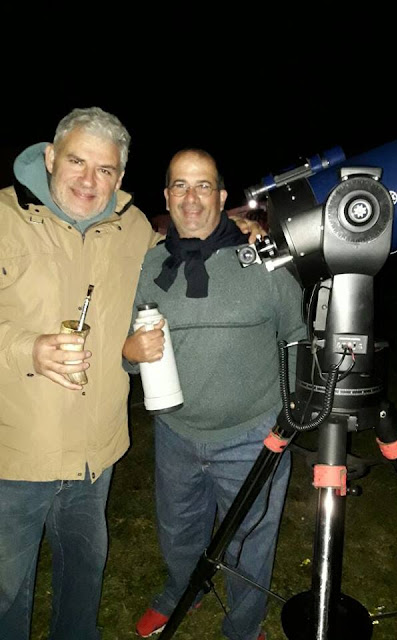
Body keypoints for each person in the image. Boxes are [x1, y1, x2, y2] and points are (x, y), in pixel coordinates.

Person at [0, 108, 260, 640]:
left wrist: (235, 227)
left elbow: (185, 244)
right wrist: (28, 349)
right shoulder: (5, 218)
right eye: (77, 161)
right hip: (16, 452)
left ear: (120, 176)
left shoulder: (132, 227)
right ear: (50, 157)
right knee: (7, 592)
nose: (89, 180)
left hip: (96, 456)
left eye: (105, 170)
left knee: (83, 579)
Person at [123, 148, 306, 640]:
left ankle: (243, 627)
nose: (191, 197)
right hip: (175, 432)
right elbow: (132, 345)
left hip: (253, 436)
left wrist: (290, 415)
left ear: (222, 198)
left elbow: (296, 334)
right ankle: (184, 589)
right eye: (180, 186)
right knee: (178, 529)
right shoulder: (151, 263)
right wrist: (129, 354)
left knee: (251, 540)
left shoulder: (261, 257)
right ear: (167, 196)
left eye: (203, 185)